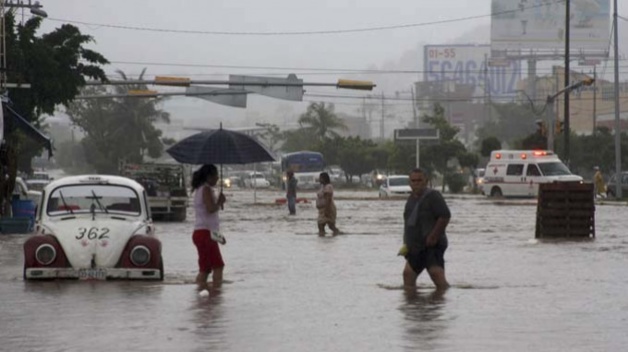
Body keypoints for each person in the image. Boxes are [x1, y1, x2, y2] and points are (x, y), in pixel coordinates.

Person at [401, 168, 451, 290]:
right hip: (416, 246)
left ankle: (442, 301)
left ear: (426, 181)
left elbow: (445, 215)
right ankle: (412, 302)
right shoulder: (411, 199)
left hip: (432, 244)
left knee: (436, 274)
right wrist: (406, 243)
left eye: (419, 180)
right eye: (413, 181)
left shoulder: (433, 196)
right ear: (409, 183)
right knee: (408, 274)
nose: (416, 183)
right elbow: (408, 222)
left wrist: (434, 236)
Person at [191, 164, 226, 292]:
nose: (217, 178)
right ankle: (216, 295)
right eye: (216, 175)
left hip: (202, 233)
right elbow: (210, 209)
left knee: (205, 269)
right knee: (218, 266)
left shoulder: (201, 189)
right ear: (209, 176)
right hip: (205, 234)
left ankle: (201, 294)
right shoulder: (205, 189)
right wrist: (220, 202)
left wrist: (219, 237)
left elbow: (210, 220)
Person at [316, 172, 340, 236]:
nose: (319, 179)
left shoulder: (328, 187)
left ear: (324, 179)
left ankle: (336, 234)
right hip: (322, 210)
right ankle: (323, 236)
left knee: (329, 225)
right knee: (322, 225)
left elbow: (328, 199)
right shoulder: (322, 187)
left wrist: (327, 210)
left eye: (320, 178)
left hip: (328, 208)